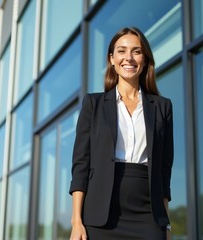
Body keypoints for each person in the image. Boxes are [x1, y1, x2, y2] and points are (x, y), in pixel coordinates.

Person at [69, 27, 174, 240]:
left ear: (144, 59)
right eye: (122, 51)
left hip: (149, 215)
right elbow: (81, 165)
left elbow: (164, 170)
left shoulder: (163, 107)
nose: (129, 58)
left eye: (136, 51)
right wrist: (76, 221)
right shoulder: (93, 104)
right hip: (100, 215)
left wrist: (166, 225)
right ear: (112, 59)